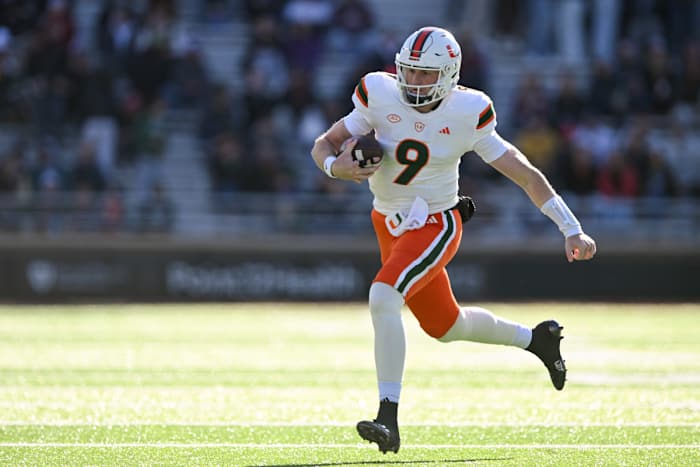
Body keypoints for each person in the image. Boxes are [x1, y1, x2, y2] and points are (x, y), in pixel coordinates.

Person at [309, 26, 597, 454]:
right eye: (409, 70)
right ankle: (537, 339)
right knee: (447, 326)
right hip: (387, 222)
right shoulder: (377, 91)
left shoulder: (469, 110)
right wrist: (338, 167)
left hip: (436, 223)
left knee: (383, 296)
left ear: (448, 74)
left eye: (425, 74)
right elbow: (323, 145)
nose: (414, 81)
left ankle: (387, 416)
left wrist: (570, 226)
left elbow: (523, 173)